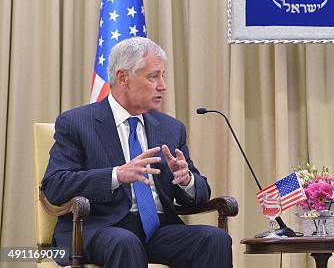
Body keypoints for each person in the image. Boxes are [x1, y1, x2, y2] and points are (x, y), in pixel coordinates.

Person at [42, 37, 232, 268]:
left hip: (157, 230)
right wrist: (116, 175)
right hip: (100, 228)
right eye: (153, 76)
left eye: (162, 76)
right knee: (125, 242)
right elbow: (55, 186)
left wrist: (186, 180)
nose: (162, 85)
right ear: (123, 77)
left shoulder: (171, 128)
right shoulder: (77, 123)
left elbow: (200, 193)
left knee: (215, 239)